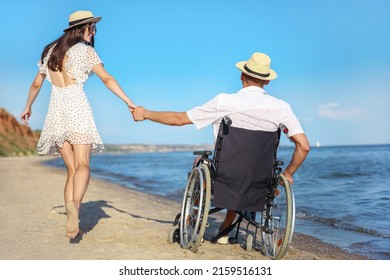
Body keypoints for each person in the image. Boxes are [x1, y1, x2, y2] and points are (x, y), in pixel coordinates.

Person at [132, 52, 310, 244]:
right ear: (266, 82)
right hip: (259, 178)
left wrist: (146, 113)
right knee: (245, 171)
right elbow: (304, 146)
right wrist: (288, 174)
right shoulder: (281, 108)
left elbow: (178, 120)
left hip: (226, 173)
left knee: (202, 163)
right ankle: (226, 227)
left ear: (242, 76)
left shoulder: (224, 101)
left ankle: (192, 220)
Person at [20, 10, 137, 239]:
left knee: (71, 169)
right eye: (92, 27)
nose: (93, 31)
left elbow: (36, 83)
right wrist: (128, 101)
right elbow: (107, 78)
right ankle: (74, 205)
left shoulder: (50, 51)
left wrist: (28, 106)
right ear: (82, 28)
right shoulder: (86, 52)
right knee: (83, 164)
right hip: (77, 107)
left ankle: (71, 222)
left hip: (55, 111)